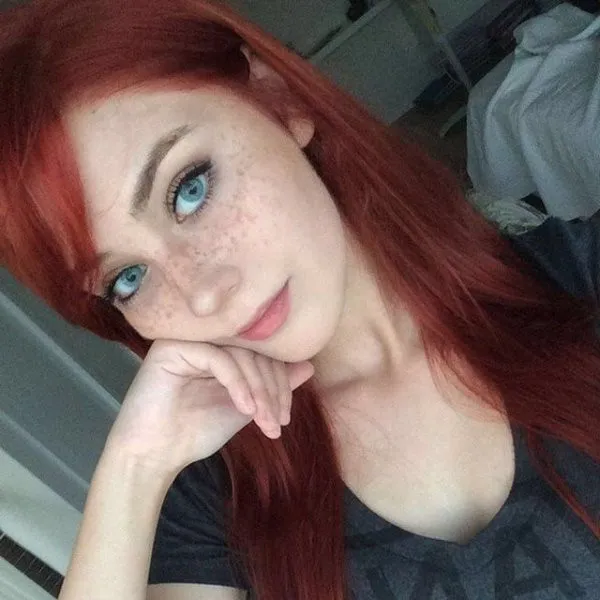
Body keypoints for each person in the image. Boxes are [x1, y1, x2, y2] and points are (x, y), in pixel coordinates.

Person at [0, 1, 598, 599]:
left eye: (189, 189)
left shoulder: (575, 280)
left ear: (276, 99)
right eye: (128, 278)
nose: (203, 295)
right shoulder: (219, 495)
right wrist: (134, 468)